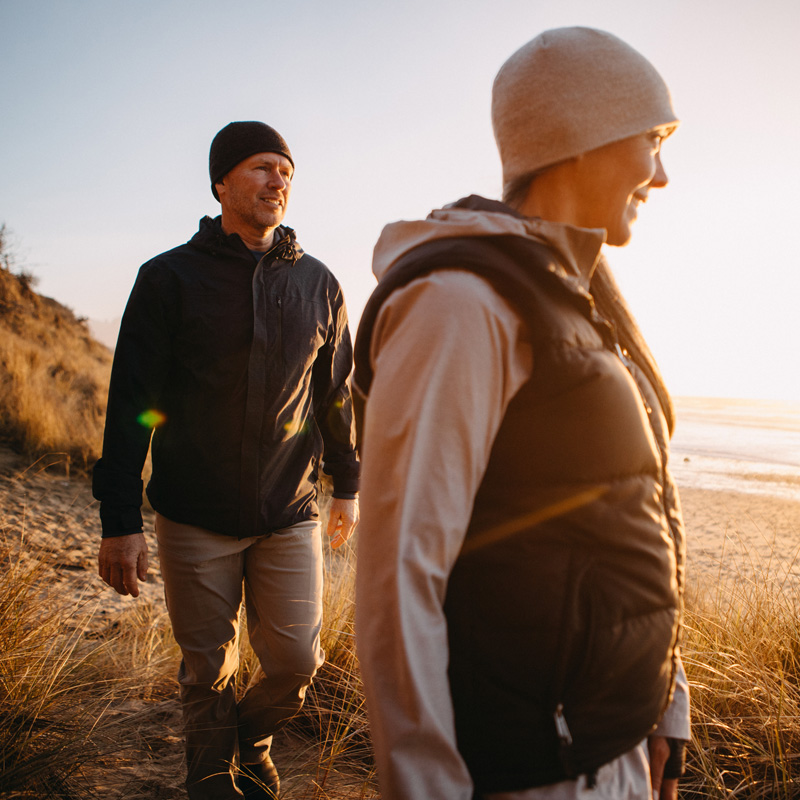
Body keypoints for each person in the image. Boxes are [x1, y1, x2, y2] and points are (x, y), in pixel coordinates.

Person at [354, 27, 690, 800]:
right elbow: (402, 576)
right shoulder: (458, 305)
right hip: (531, 771)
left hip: (613, 751)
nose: (663, 174)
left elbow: (637, 509)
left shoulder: (582, 295)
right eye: (654, 139)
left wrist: (663, 709)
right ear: (584, 134)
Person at [93, 121, 360, 800]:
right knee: (206, 670)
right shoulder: (168, 278)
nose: (278, 182)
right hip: (194, 516)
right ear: (221, 182)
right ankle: (211, 781)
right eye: (262, 168)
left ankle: (253, 739)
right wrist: (119, 518)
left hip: (288, 513)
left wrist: (348, 485)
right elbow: (135, 404)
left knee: (298, 662)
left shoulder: (321, 285)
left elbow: (334, 399)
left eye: (287, 172)